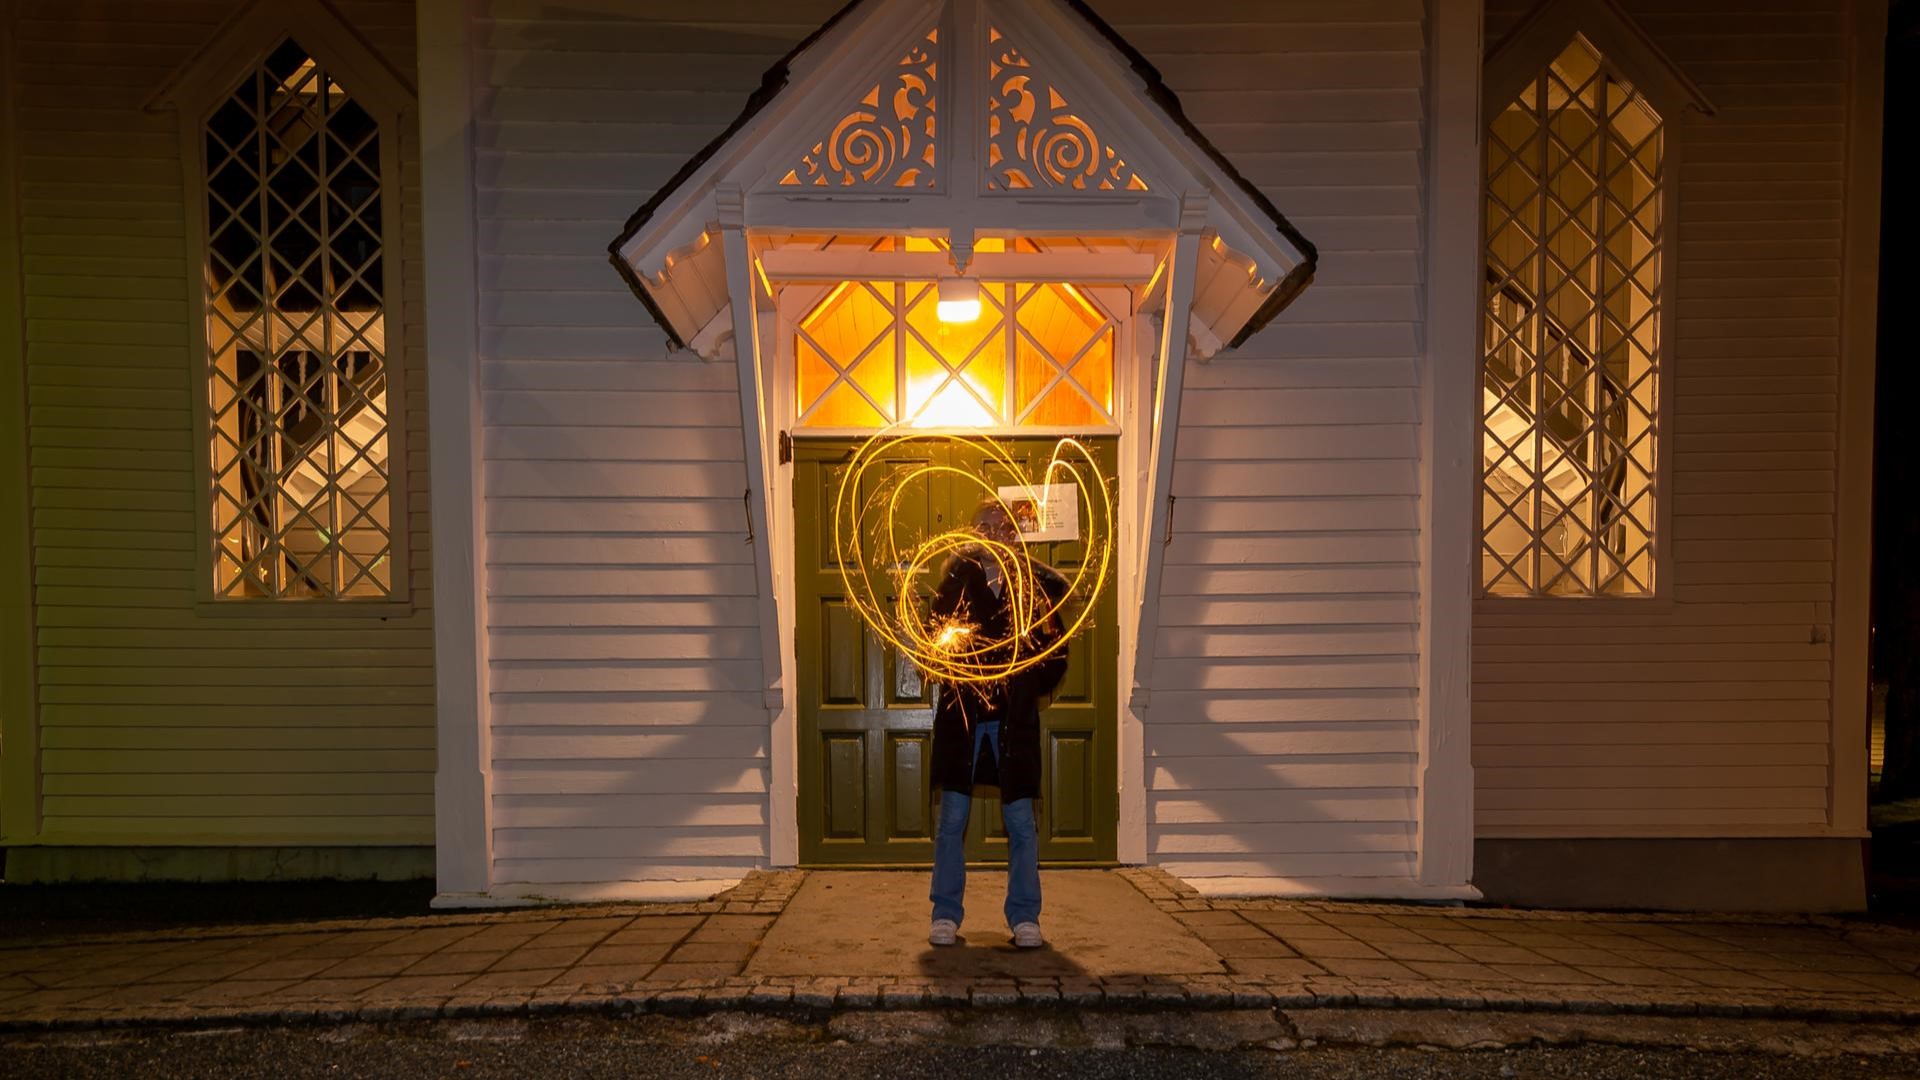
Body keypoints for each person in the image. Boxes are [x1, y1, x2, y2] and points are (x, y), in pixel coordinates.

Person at [925, 498, 1069, 949]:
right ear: (972, 535)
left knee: (1021, 822)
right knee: (953, 820)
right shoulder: (954, 585)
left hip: (1013, 721)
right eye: (982, 525)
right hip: (964, 721)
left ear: (1012, 534)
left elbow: (1055, 652)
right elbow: (934, 642)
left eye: (1000, 525)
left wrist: (1029, 672)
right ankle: (945, 914)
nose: (991, 532)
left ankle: (1025, 917)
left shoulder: (1032, 588)